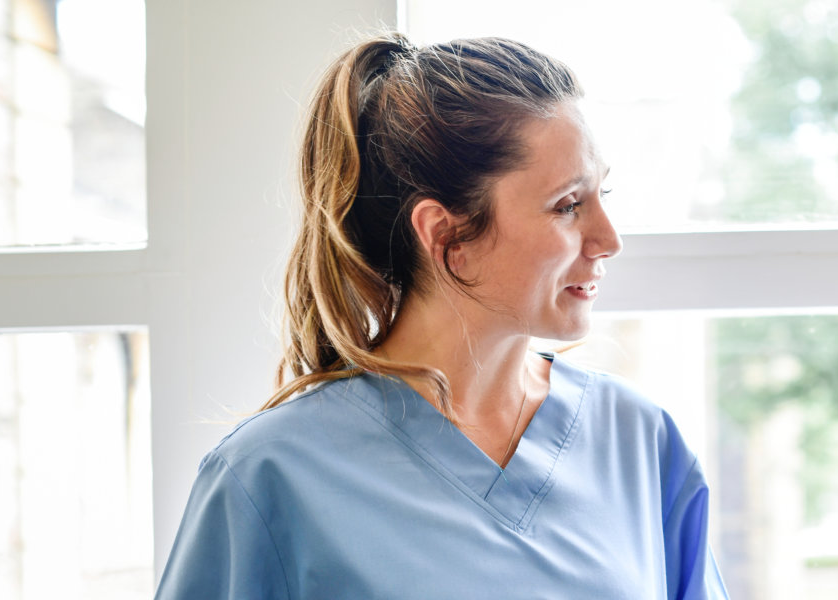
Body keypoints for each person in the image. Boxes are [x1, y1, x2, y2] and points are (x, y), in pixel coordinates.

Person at [156, 33, 726, 600]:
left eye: (603, 195)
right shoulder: (267, 478)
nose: (609, 240)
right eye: (568, 205)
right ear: (445, 233)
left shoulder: (641, 443)